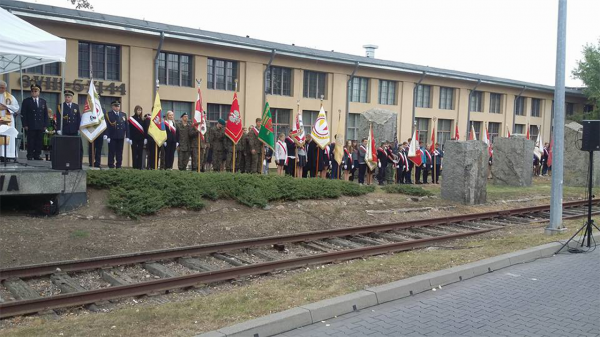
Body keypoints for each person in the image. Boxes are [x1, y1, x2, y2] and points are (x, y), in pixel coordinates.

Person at [21, 83, 48, 160]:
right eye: (32, 91)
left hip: (40, 125)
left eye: (36, 91)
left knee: (39, 141)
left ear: (39, 92)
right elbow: (23, 114)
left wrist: (45, 124)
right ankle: (30, 155)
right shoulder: (26, 101)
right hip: (30, 124)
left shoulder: (43, 101)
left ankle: (37, 155)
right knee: (30, 141)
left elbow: (45, 114)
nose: (34, 92)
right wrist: (25, 124)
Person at [57, 90, 82, 165]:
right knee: (65, 147)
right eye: (66, 97)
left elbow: (78, 118)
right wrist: (59, 129)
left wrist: (78, 128)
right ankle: (64, 161)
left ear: (72, 97)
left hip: (74, 129)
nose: (67, 98)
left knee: (73, 147)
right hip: (65, 129)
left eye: (69, 97)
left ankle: (73, 161)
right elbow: (59, 118)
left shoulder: (76, 106)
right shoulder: (61, 106)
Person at [104, 100, 129, 169]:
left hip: (121, 136)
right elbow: (107, 125)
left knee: (120, 152)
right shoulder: (108, 114)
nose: (117, 107)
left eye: (118, 106)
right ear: (112, 107)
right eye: (116, 106)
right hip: (112, 136)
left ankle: (119, 165)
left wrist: (127, 136)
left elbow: (126, 126)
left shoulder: (123, 114)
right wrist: (107, 135)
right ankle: (111, 165)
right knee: (112, 151)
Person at [0, 80, 20, 160]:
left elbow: (16, 108)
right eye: (0, 88)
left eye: (3, 88)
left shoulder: (10, 97)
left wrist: (7, 107)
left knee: (8, 136)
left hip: (8, 120)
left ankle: (7, 155)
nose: (2, 89)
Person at [129, 105, 146, 169]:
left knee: (140, 153)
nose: (139, 111)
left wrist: (145, 138)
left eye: (140, 110)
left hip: (141, 139)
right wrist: (129, 138)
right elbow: (129, 129)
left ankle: (139, 167)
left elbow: (144, 129)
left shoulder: (142, 119)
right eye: (138, 110)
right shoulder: (131, 119)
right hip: (134, 138)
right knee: (134, 152)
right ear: (135, 110)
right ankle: (135, 167)